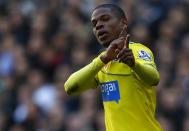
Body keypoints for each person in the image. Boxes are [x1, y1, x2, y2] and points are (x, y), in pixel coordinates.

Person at [64, 3, 163, 131]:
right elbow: (69, 87)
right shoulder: (102, 61)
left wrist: (134, 65)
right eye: (94, 24)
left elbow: (154, 78)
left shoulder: (137, 50)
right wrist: (103, 59)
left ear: (123, 23)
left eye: (105, 19)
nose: (98, 25)